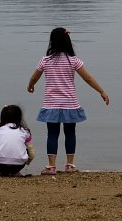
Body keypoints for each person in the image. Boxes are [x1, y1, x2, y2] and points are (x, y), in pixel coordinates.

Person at [27, 27, 110, 175]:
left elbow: (35, 77)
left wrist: (31, 86)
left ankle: (51, 167)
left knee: (52, 134)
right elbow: (88, 78)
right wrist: (101, 91)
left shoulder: (45, 60)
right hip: (70, 104)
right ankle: (70, 165)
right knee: (70, 133)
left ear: (52, 42)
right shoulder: (73, 60)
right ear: (68, 41)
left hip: (51, 104)